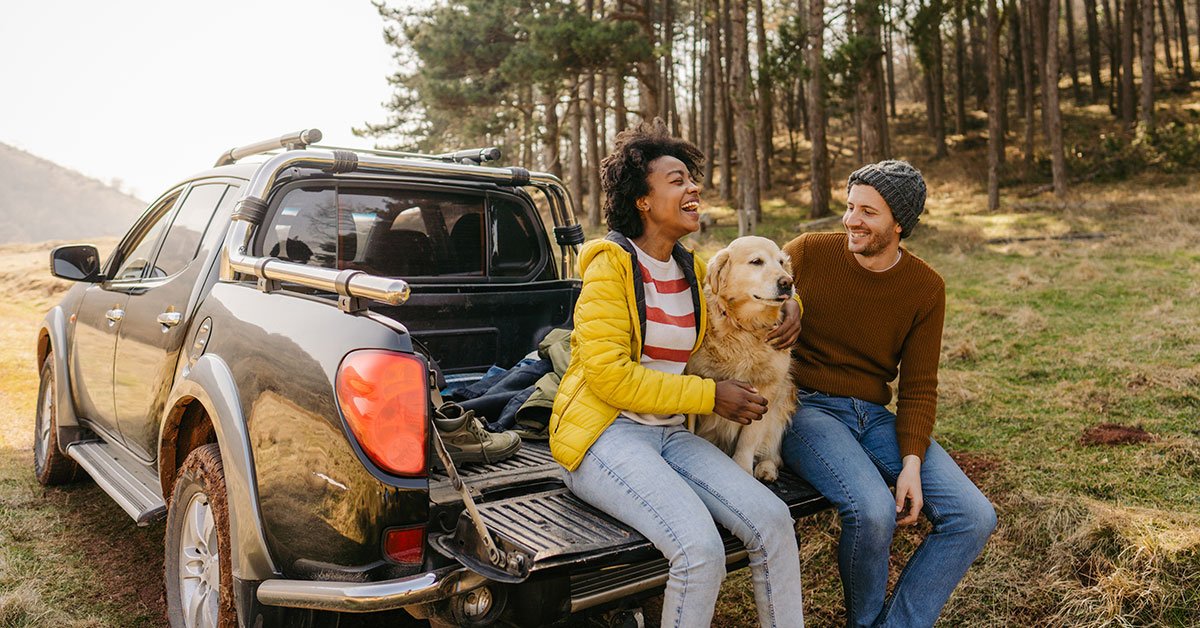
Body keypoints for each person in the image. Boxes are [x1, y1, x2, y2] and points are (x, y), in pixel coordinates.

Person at [549, 119, 806, 628]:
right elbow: (609, 378)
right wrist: (709, 395)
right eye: (677, 180)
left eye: (693, 179)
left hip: (669, 430)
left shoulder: (690, 266)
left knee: (775, 522)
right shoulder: (610, 267)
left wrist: (794, 302)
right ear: (642, 200)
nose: (693, 189)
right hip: (604, 435)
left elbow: (754, 277)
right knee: (699, 548)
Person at [776, 160, 997, 628]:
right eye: (850, 206)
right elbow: (754, 282)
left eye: (868, 212)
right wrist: (790, 302)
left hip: (873, 416)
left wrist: (911, 462)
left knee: (973, 516)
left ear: (899, 223)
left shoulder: (925, 287)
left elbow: (919, 385)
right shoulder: (809, 252)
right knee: (873, 510)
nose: (851, 220)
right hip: (805, 406)